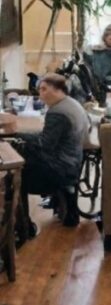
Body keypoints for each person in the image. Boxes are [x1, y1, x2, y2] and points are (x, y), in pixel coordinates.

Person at [14, 73, 89, 225]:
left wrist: (19, 135)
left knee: (17, 172)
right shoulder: (71, 104)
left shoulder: (57, 113)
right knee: (23, 151)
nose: (40, 93)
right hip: (73, 162)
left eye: (44, 89)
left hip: (61, 168)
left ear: (58, 90)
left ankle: (23, 224)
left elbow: (44, 145)